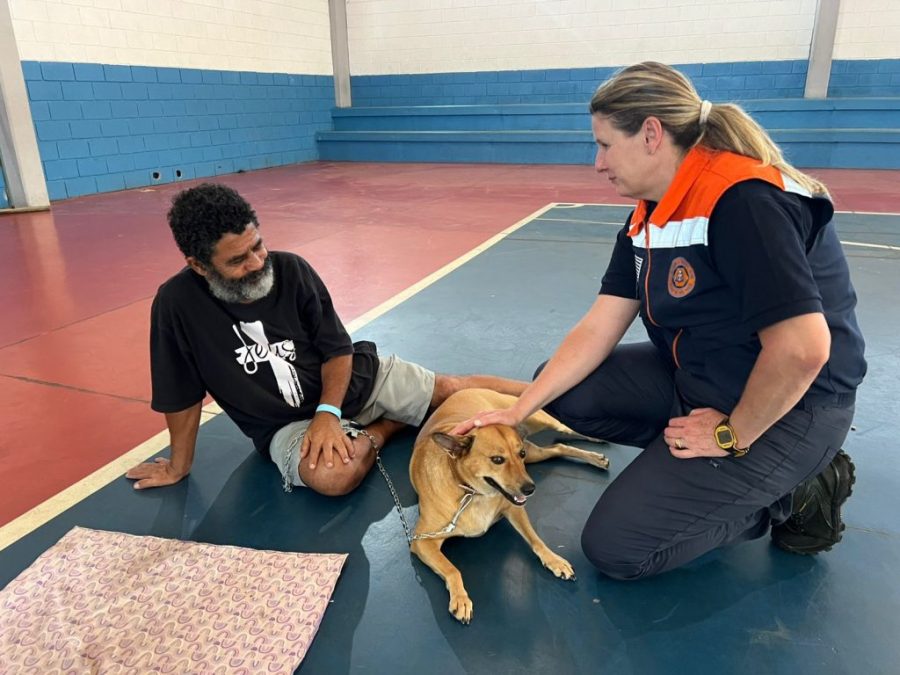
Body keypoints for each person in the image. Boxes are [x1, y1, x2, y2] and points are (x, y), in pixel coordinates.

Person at [451, 62, 867, 579]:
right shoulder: (653, 212)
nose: (598, 163)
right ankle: (696, 476)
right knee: (559, 390)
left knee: (618, 550)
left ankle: (792, 494)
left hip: (792, 406)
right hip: (707, 377)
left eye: (604, 144)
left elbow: (803, 350)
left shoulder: (743, 202)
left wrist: (730, 436)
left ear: (651, 133)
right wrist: (519, 412)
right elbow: (599, 326)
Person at [127, 183, 526, 497]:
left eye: (258, 245)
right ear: (197, 265)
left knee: (451, 389)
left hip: (355, 381)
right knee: (335, 477)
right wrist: (180, 465)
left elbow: (337, 350)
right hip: (283, 424)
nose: (257, 263)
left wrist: (328, 414)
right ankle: (389, 425)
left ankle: (545, 393)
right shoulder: (176, 305)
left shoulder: (292, 270)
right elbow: (180, 395)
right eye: (237, 260)